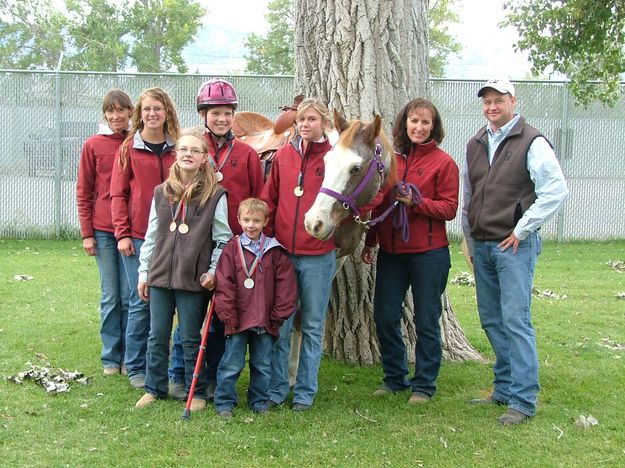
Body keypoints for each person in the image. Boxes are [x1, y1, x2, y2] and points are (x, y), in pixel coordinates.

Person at [462, 78, 568, 425]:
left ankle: (523, 400)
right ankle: (504, 388)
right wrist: (469, 236)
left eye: (498, 100)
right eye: (487, 101)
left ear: (512, 101)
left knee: (516, 320)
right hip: (483, 244)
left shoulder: (531, 140)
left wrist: (522, 230)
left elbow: (555, 190)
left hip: (514, 247)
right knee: (492, 319)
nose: (492, 107)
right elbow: (471, 194)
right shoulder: (476, 142)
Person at [167, 79, 265, 401]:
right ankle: (178, 375)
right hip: (195, 243)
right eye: (214, 113)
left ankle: (211, 378)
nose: (221, 119)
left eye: (227, 113)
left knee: (223, 316)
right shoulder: (195, 149)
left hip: (232, 246)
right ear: (203, 114)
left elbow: (256, 198)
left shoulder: (247, 154)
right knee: (190, 315)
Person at [361, 98, 459, 405]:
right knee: (385, 315)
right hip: (392, 251)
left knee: (427, 318)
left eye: (425, 122)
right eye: (414, 121)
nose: (419, 127)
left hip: (429, 254)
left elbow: (450, 208)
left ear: (434, 127)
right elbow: (381, 203)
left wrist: (417, 203)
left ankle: (424, 384)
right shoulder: (393, 161)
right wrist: (371, 240)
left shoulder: (444, 163)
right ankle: (395, 378)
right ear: (405, 124)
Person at [134, 129, 232, 410]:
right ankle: (154, 388)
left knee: (190, 337)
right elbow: (151, 235)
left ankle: (196, 392)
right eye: (183, 150)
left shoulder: (216, 195)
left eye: (195, 150)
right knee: (157, 335)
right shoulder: (161, 192)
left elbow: (222, 239)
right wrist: (144, 273)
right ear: (176, 156)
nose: (188, 154)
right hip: (160, 274)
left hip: (193, 278)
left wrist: (213, 271)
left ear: (204, 159)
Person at [261, 98, 336, 411]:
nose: (305, 124)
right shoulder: (283, 155)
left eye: (312, 119)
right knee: (282, 323)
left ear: (324, 124)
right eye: (301, 119)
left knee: (313, 326)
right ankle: (278, 389)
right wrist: (267, 242)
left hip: (318, 255)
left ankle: (305, 392)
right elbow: (271, 199)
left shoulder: (333, 158)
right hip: (284, 254)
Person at [110, 87, 181, 389]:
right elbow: (117, 194)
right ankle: (135, 365)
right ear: (140, 113)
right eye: (148, 109)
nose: (153, 114)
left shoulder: (180, 148)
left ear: (167, 112)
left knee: (168, 302)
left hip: (175, 238)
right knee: (140, 301)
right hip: (138, 237)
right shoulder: (129, 148)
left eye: (159, 108)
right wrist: (122, 234)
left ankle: (160, 362)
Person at [213, 198, 298, 419]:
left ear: (265, 222)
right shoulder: (232, 249)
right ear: (239, 220)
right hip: (237, 320)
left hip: (264, 320)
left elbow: (286, 287)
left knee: (262, 364)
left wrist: (278, 316)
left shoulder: (275, 251)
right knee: (232, 363)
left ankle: (259, 401)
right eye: (247, 220)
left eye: (256, 221)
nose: (251, 225)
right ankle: (224, 402)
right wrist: (228, 315)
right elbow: (224, 283)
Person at [76, 90, 133, 376]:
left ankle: (129, 355)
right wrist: (87, 233)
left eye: (121, 110)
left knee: (129, 295)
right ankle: (111, 356)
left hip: (131, 231)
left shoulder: (137, 143)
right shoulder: (93, 146)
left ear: (129, 113)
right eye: (110, 111)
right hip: (102, 231)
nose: (115, 116)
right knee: (111, 295)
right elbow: (84, 191)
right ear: (105, 114)